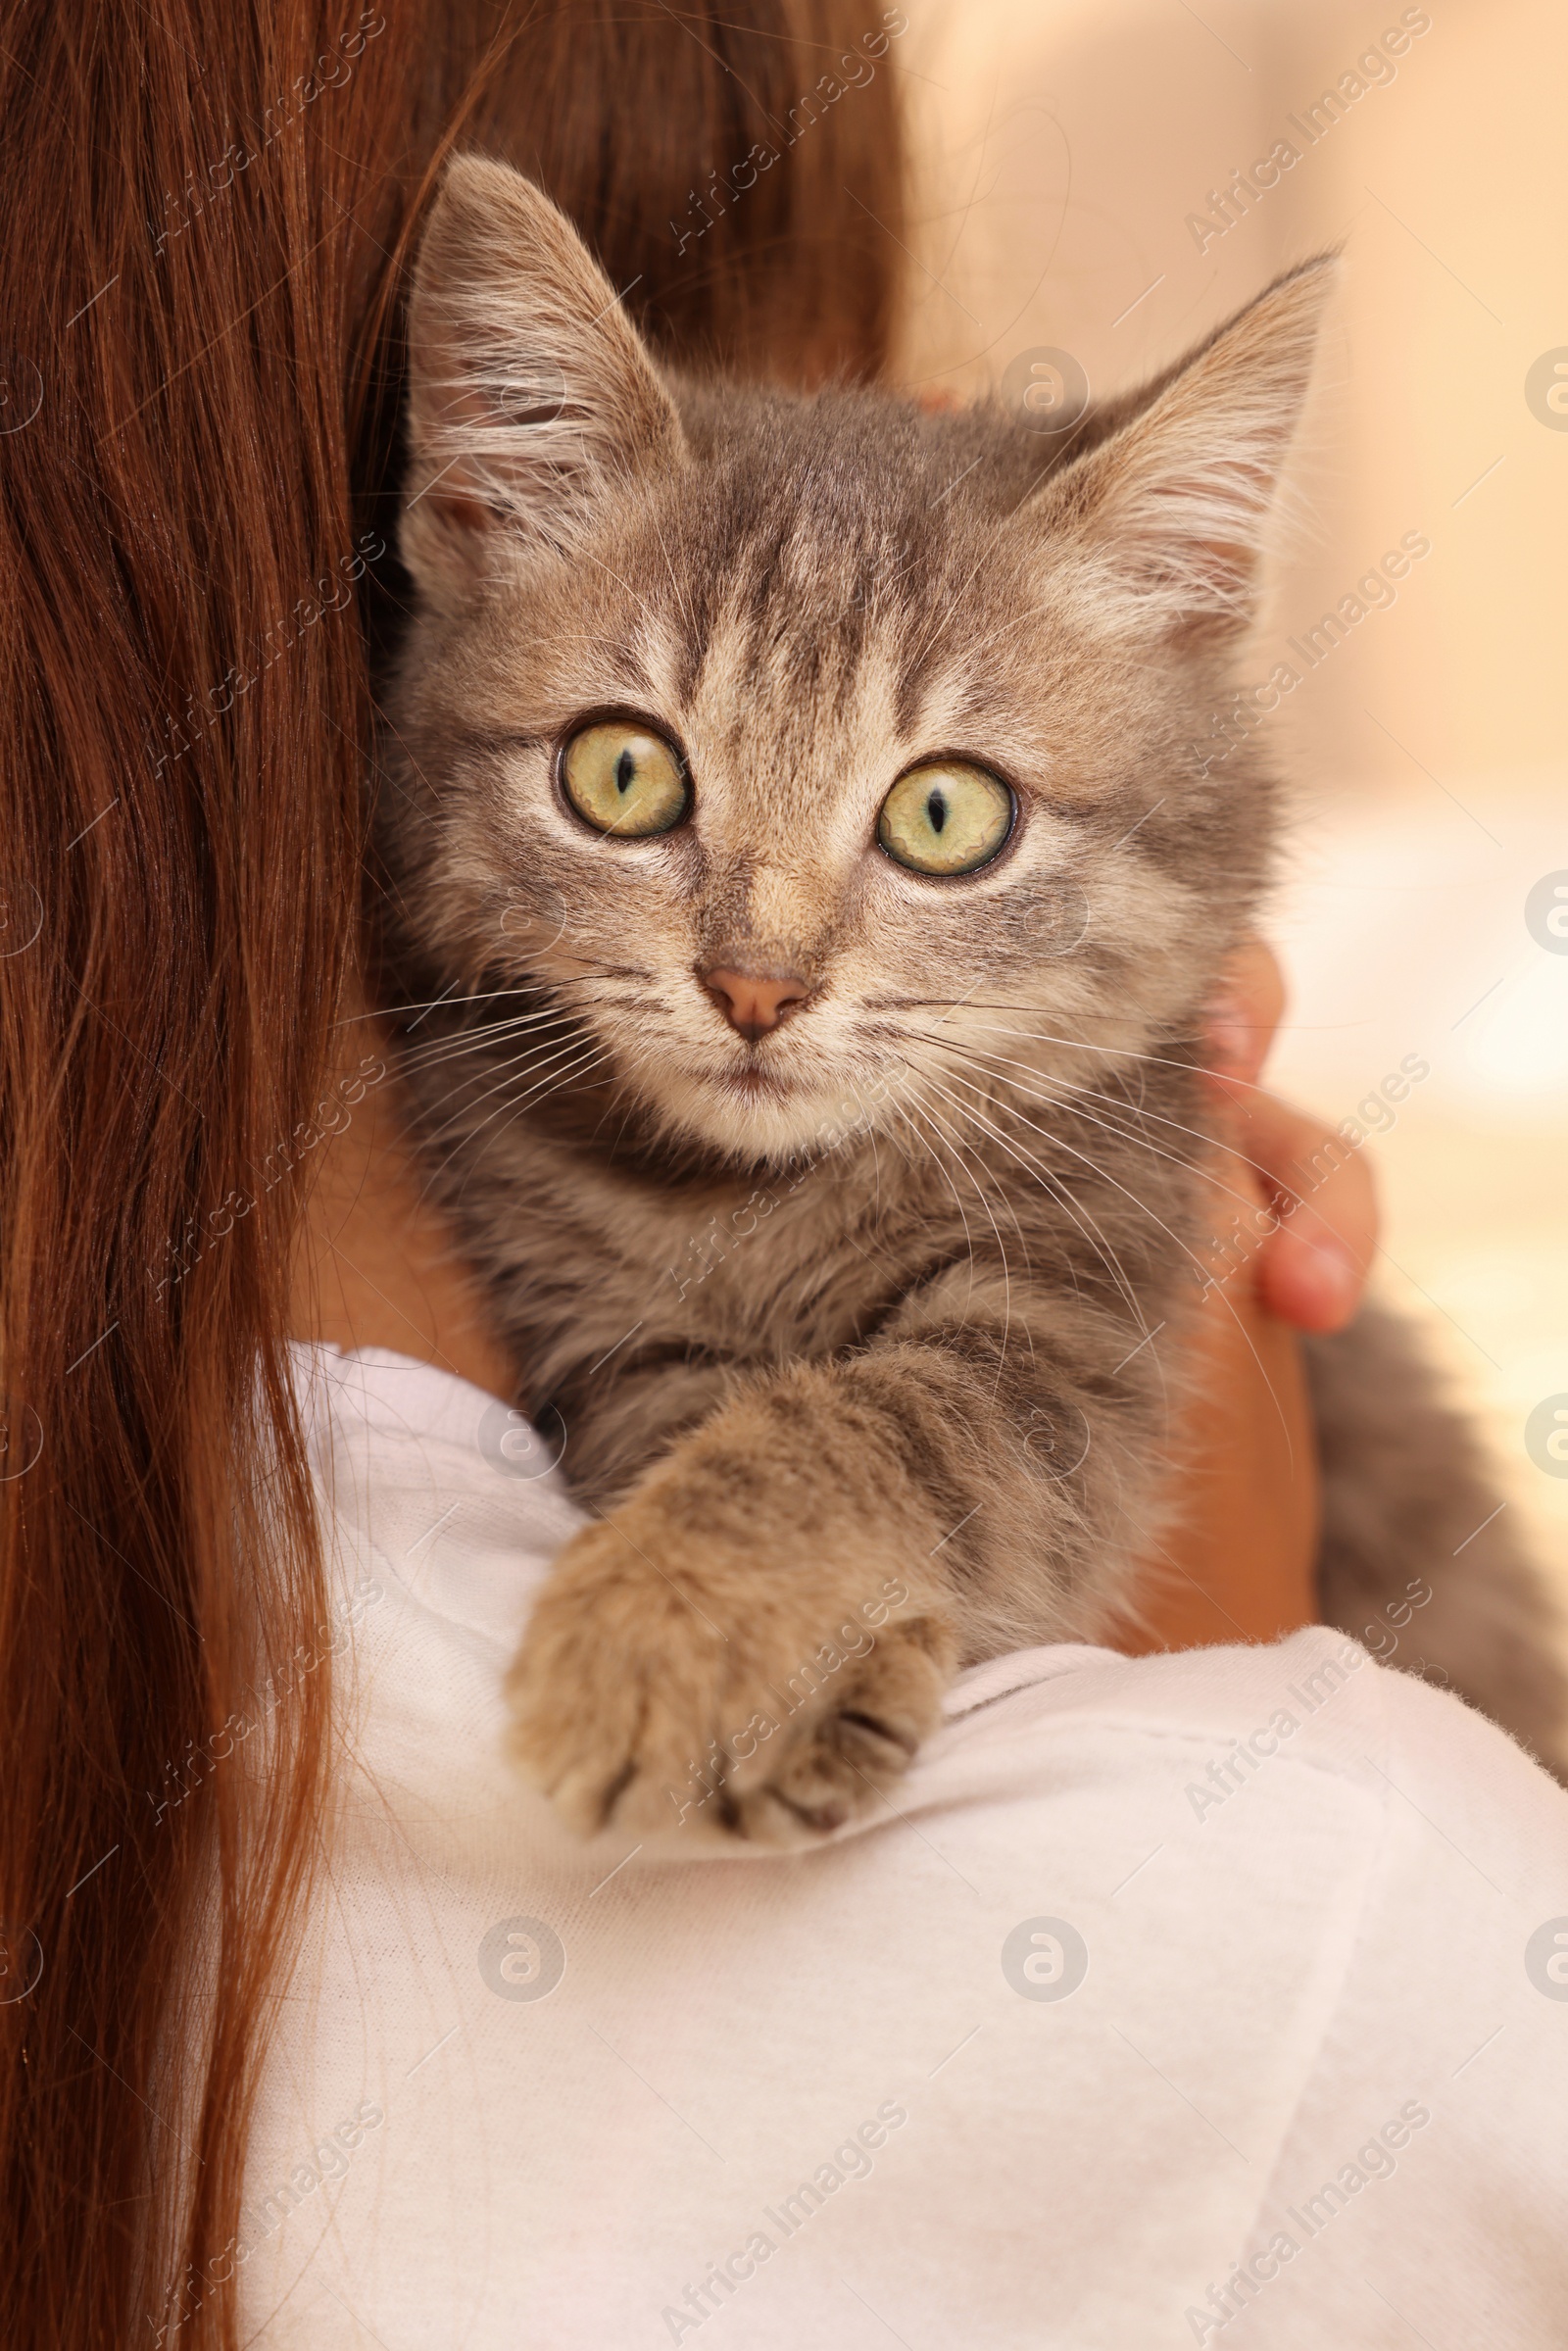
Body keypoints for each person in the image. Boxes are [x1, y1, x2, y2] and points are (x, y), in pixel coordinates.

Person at [2, 4, 1561, 2347]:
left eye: (932, 824)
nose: (758, 970)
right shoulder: (1367, 1930)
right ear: (458, 521)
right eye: (638, 785)